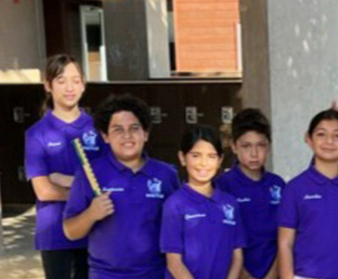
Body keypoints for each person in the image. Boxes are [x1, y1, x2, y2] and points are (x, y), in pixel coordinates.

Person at [63, 94, 179, 279]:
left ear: (146, 133)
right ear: (105, 136)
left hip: (155, 273)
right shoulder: (90, 173)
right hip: (106, 274)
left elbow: (179, 229)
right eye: (118, 129)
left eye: (134, 128)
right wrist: (91, 214)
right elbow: (70, 232)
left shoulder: (166, 174)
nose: (127, 135)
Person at [25, 54, 105, 279]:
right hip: (54, 233)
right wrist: (88, 193)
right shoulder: (36, 134)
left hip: (95, 232)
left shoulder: (99, 129)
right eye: (61, 80)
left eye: (75, 80)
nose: (69, 87)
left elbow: (107, 182)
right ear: (48, 85)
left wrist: (65, 180)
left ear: (83, 85)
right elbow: (44, 191)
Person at [277, 110, 338, 279]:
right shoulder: (294, 188)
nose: (329, 141)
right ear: (309, 139)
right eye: (321, 134)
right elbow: (285, 243)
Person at [160, 125, 246, 279]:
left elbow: (237, 256)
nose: (203, 163)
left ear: (220, 160)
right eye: (196, 155)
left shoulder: (230, 204)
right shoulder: (174, 204)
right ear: (182, 157)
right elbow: (174, 263)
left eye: (211, 156)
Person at [215, 108, 285, 279]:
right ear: (234, 146)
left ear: (268, 146)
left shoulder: (278, 185)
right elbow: (222, 239)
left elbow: (285, 236)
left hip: (275, 271)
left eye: (260, 145)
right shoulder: (223, 185)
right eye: (246, 146)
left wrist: (273, 274)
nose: (254, 154)